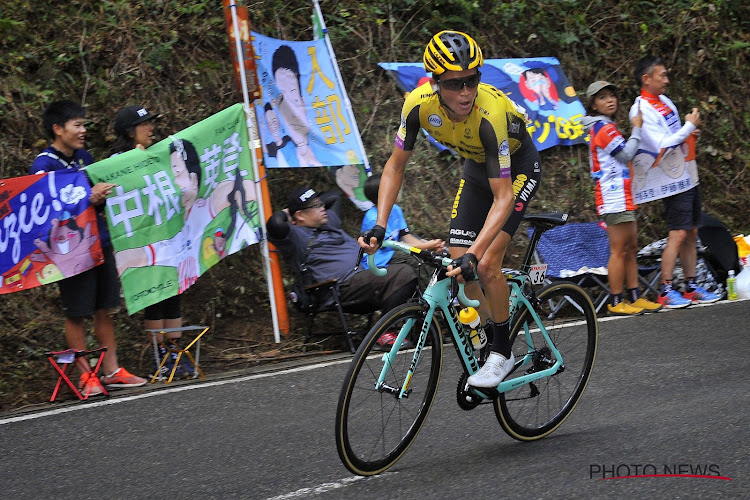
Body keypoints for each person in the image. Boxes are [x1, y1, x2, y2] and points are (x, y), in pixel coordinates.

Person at [359, 31, 542, 387]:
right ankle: (488, 336)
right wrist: (380, 225)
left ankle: (502, 352)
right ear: (435, 82)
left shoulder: (490, 115)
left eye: (472, 80)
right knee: (461, 268)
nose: (465, 92)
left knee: (486, 262)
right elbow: (395, 166)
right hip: (476, 169)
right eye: (455, 84)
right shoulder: (417, 105)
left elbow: (503, 197)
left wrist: (476, 252)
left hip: (517, 169)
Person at [29, 100, 146, 395]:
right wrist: (87, 199)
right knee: (76, 311)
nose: (83, 131)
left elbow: (94, 196)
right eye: (77, 125)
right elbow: (44, 210)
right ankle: (85, 375)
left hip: (99, 239)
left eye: (84, 125)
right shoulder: (44, 164)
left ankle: (111, 370)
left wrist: (101, 196)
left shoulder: (84, 157)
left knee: (105, 307)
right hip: (69, 250)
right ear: (58, 129)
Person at [267, 186, 418, 345]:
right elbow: (275, 223)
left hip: (363, 278)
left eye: (320, 204)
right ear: (300, 215)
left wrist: (311, 206)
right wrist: (287, 212)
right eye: (315, 206)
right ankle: (386, 332)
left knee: (417, 261)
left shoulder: (328, 221)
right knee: (404, 273)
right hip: (340, 287)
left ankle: (422, 329)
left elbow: (334, 195)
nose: (322, 208)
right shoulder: (295, 235)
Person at [630, 56, 720, 308]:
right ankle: (666, 289)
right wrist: (688, 127)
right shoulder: (640, 109)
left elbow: (674, 134)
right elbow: (661, 144)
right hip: (669, 178)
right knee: (678, 232)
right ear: (646, 79)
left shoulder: (664, 101)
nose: (667, 80)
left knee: (691, 231)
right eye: (662, 76)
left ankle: (691, 286)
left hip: (687, 173)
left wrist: (689, 131)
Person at [111, 105, 186, 377]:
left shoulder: (157, 155)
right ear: (131, 131)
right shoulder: (114, 163)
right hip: (140, 241)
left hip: (166, 235)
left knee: (173, 291)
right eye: (146, 124)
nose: (152, 128)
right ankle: (160, 356)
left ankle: (175, 353)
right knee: (154, 293)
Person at [582, 81, 663, 315]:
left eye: (612, 96)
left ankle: (635, 296)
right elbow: (626, 153)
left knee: (631, 247)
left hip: (623, 195)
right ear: (593, 105)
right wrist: (637, 128)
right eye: (602, 97)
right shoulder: (603, 128)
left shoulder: (608, 126)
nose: (610, 100)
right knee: (619, 249)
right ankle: (617, 301)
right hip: (612, 195)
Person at [360, 174, 445, 289]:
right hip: (380, 257)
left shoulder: (395, 209)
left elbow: (406, 236)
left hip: (396, 251)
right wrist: (427, 246)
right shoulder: (372, 218)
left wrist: (428, 246)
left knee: (437, 255)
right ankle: (430, 296)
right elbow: (396, 246)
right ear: (384, 194)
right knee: (416, 260)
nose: (398, 189)